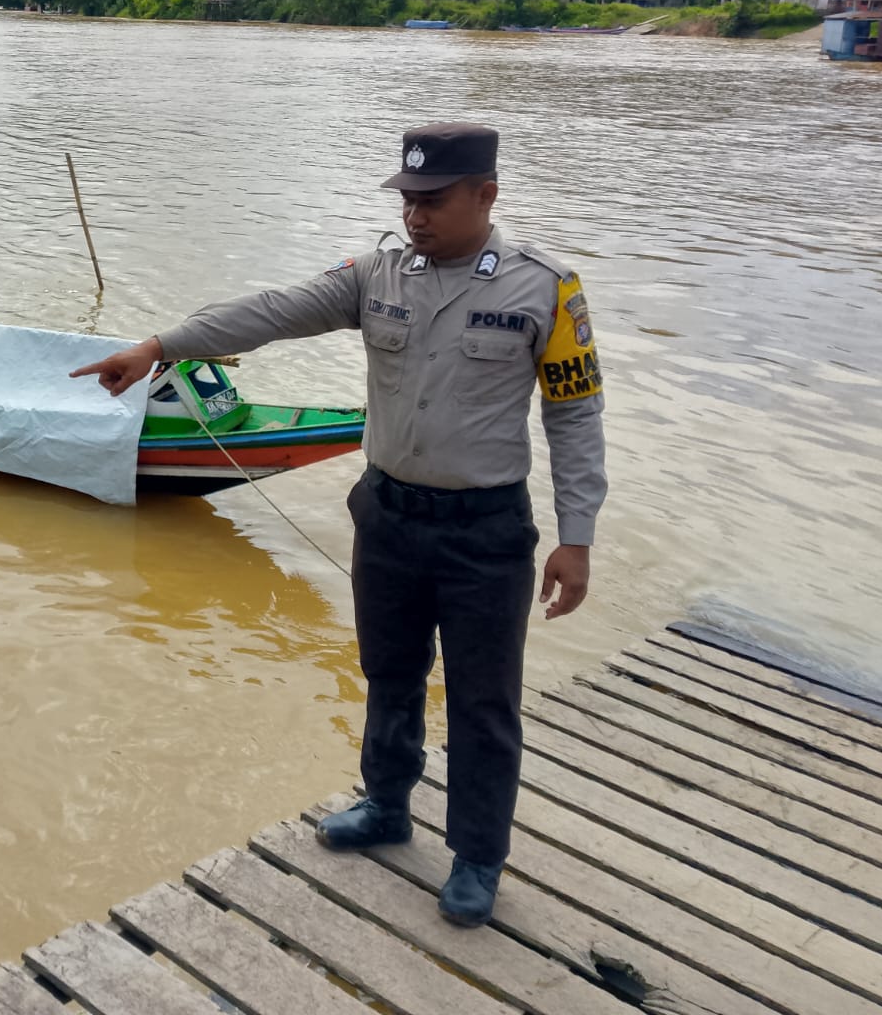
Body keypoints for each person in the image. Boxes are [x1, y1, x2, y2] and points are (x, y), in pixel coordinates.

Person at [71, 122, 607, 928]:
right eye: (408, 200)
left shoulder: (546, 289)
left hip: (485, 531)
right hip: (389, 515)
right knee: (389, 671)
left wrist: (577, 534)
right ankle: (387, 806)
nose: (416, 215)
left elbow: (576, 416)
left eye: (433, 200)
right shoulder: (376, 275)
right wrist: (158, 346)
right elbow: (271, 312)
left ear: (486, 195)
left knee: (482, 700)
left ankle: (476, 855)